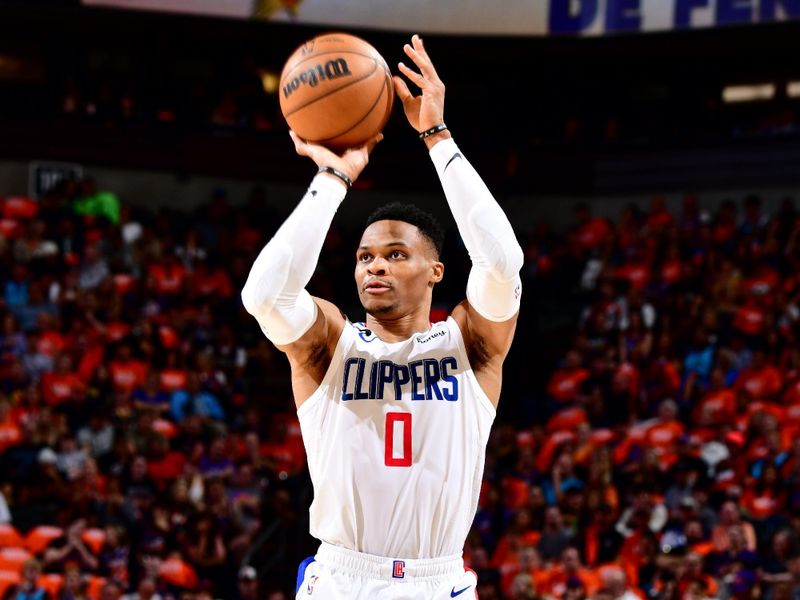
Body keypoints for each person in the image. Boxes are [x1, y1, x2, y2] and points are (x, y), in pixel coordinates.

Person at [241, 34, 523, 600]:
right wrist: (333, 179)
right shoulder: (330, 345)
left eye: (397, 255)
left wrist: (438, 138)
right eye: (366, 256)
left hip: (439, 579)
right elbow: (264, 295)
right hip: (343, 577)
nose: (376, 267)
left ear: (436, 272)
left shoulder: (470, 344)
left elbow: (502, 262)